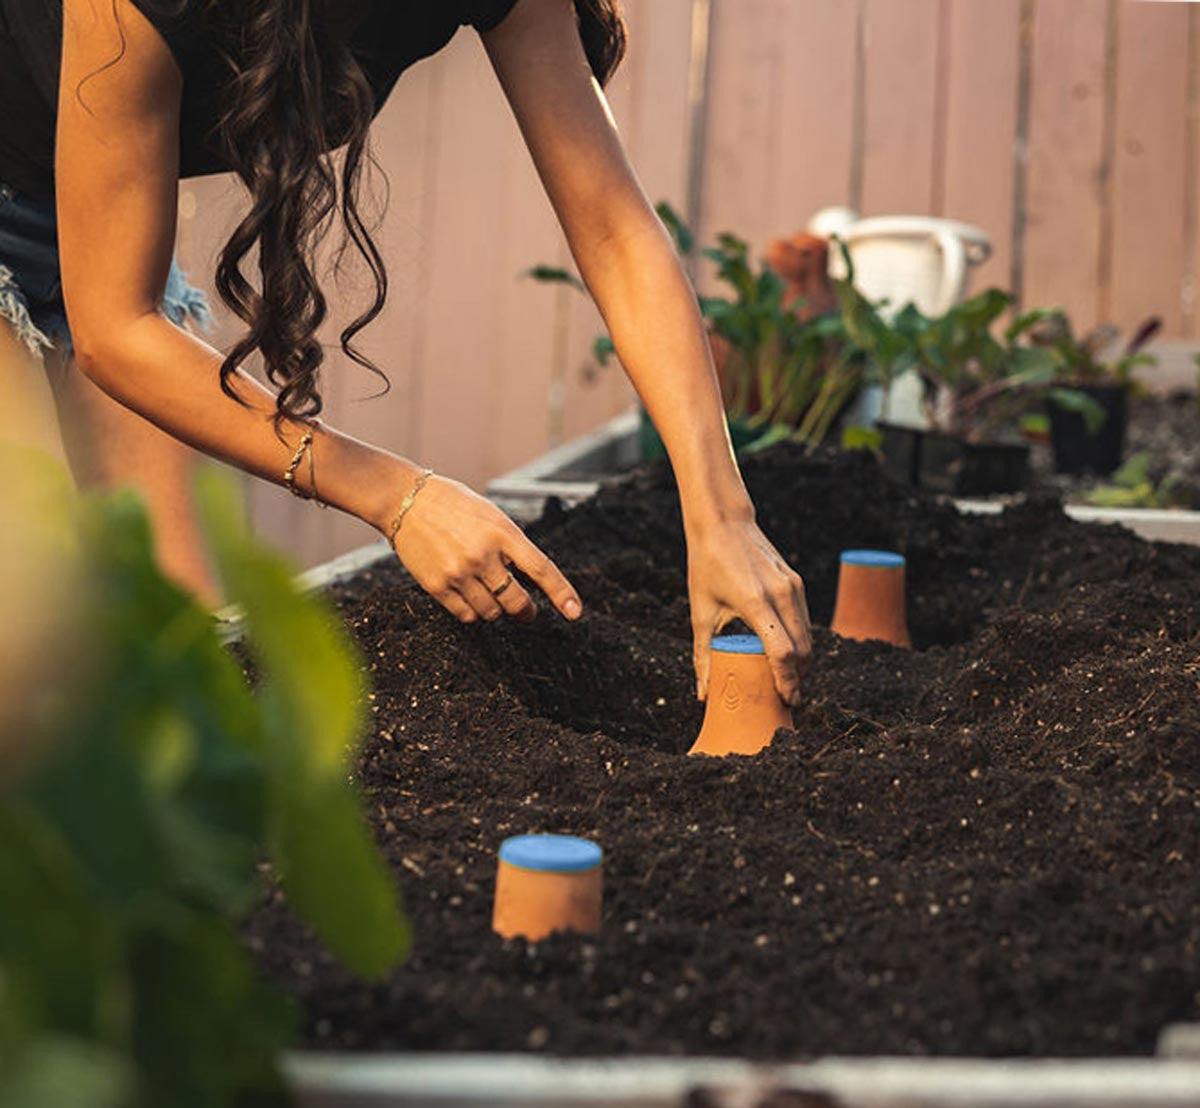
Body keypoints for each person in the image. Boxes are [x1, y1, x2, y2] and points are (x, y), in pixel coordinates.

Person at [0, 0, 811, 706]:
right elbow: (117, 328)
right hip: (73, 227)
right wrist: (399, 496)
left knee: (183, 650)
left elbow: (613, 229)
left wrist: (722, 518)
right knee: (33, 637)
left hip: (87, 211)